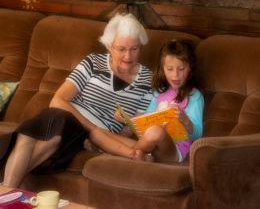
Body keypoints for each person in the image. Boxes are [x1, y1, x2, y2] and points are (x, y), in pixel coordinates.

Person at [1, 13, 153, 188]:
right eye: (122, 49)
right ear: (109, 46)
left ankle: (6, 192)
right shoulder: (93, 63)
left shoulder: (147, 81)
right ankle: (7, 193)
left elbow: (131, 130)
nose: (128, 56)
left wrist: (104, 142)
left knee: (50, 138)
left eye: (135, 48)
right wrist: (90, 126)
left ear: (141, 47)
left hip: (89, 134)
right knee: (38, 133)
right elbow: (58, 100)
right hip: (66, 117)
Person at [115, 39, 204, 163]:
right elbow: (147, 120)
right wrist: (129, 119)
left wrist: (185, 121)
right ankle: (143, 157)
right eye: (170, 69)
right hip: (153, 147)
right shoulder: (159, 93)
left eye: (181, 69)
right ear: (162, 69)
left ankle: (126, 156)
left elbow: (198, 135)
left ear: (190, 69)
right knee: (100, 134)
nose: (175, 75)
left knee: (155, 131)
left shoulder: (194, 96)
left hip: (175, 151)